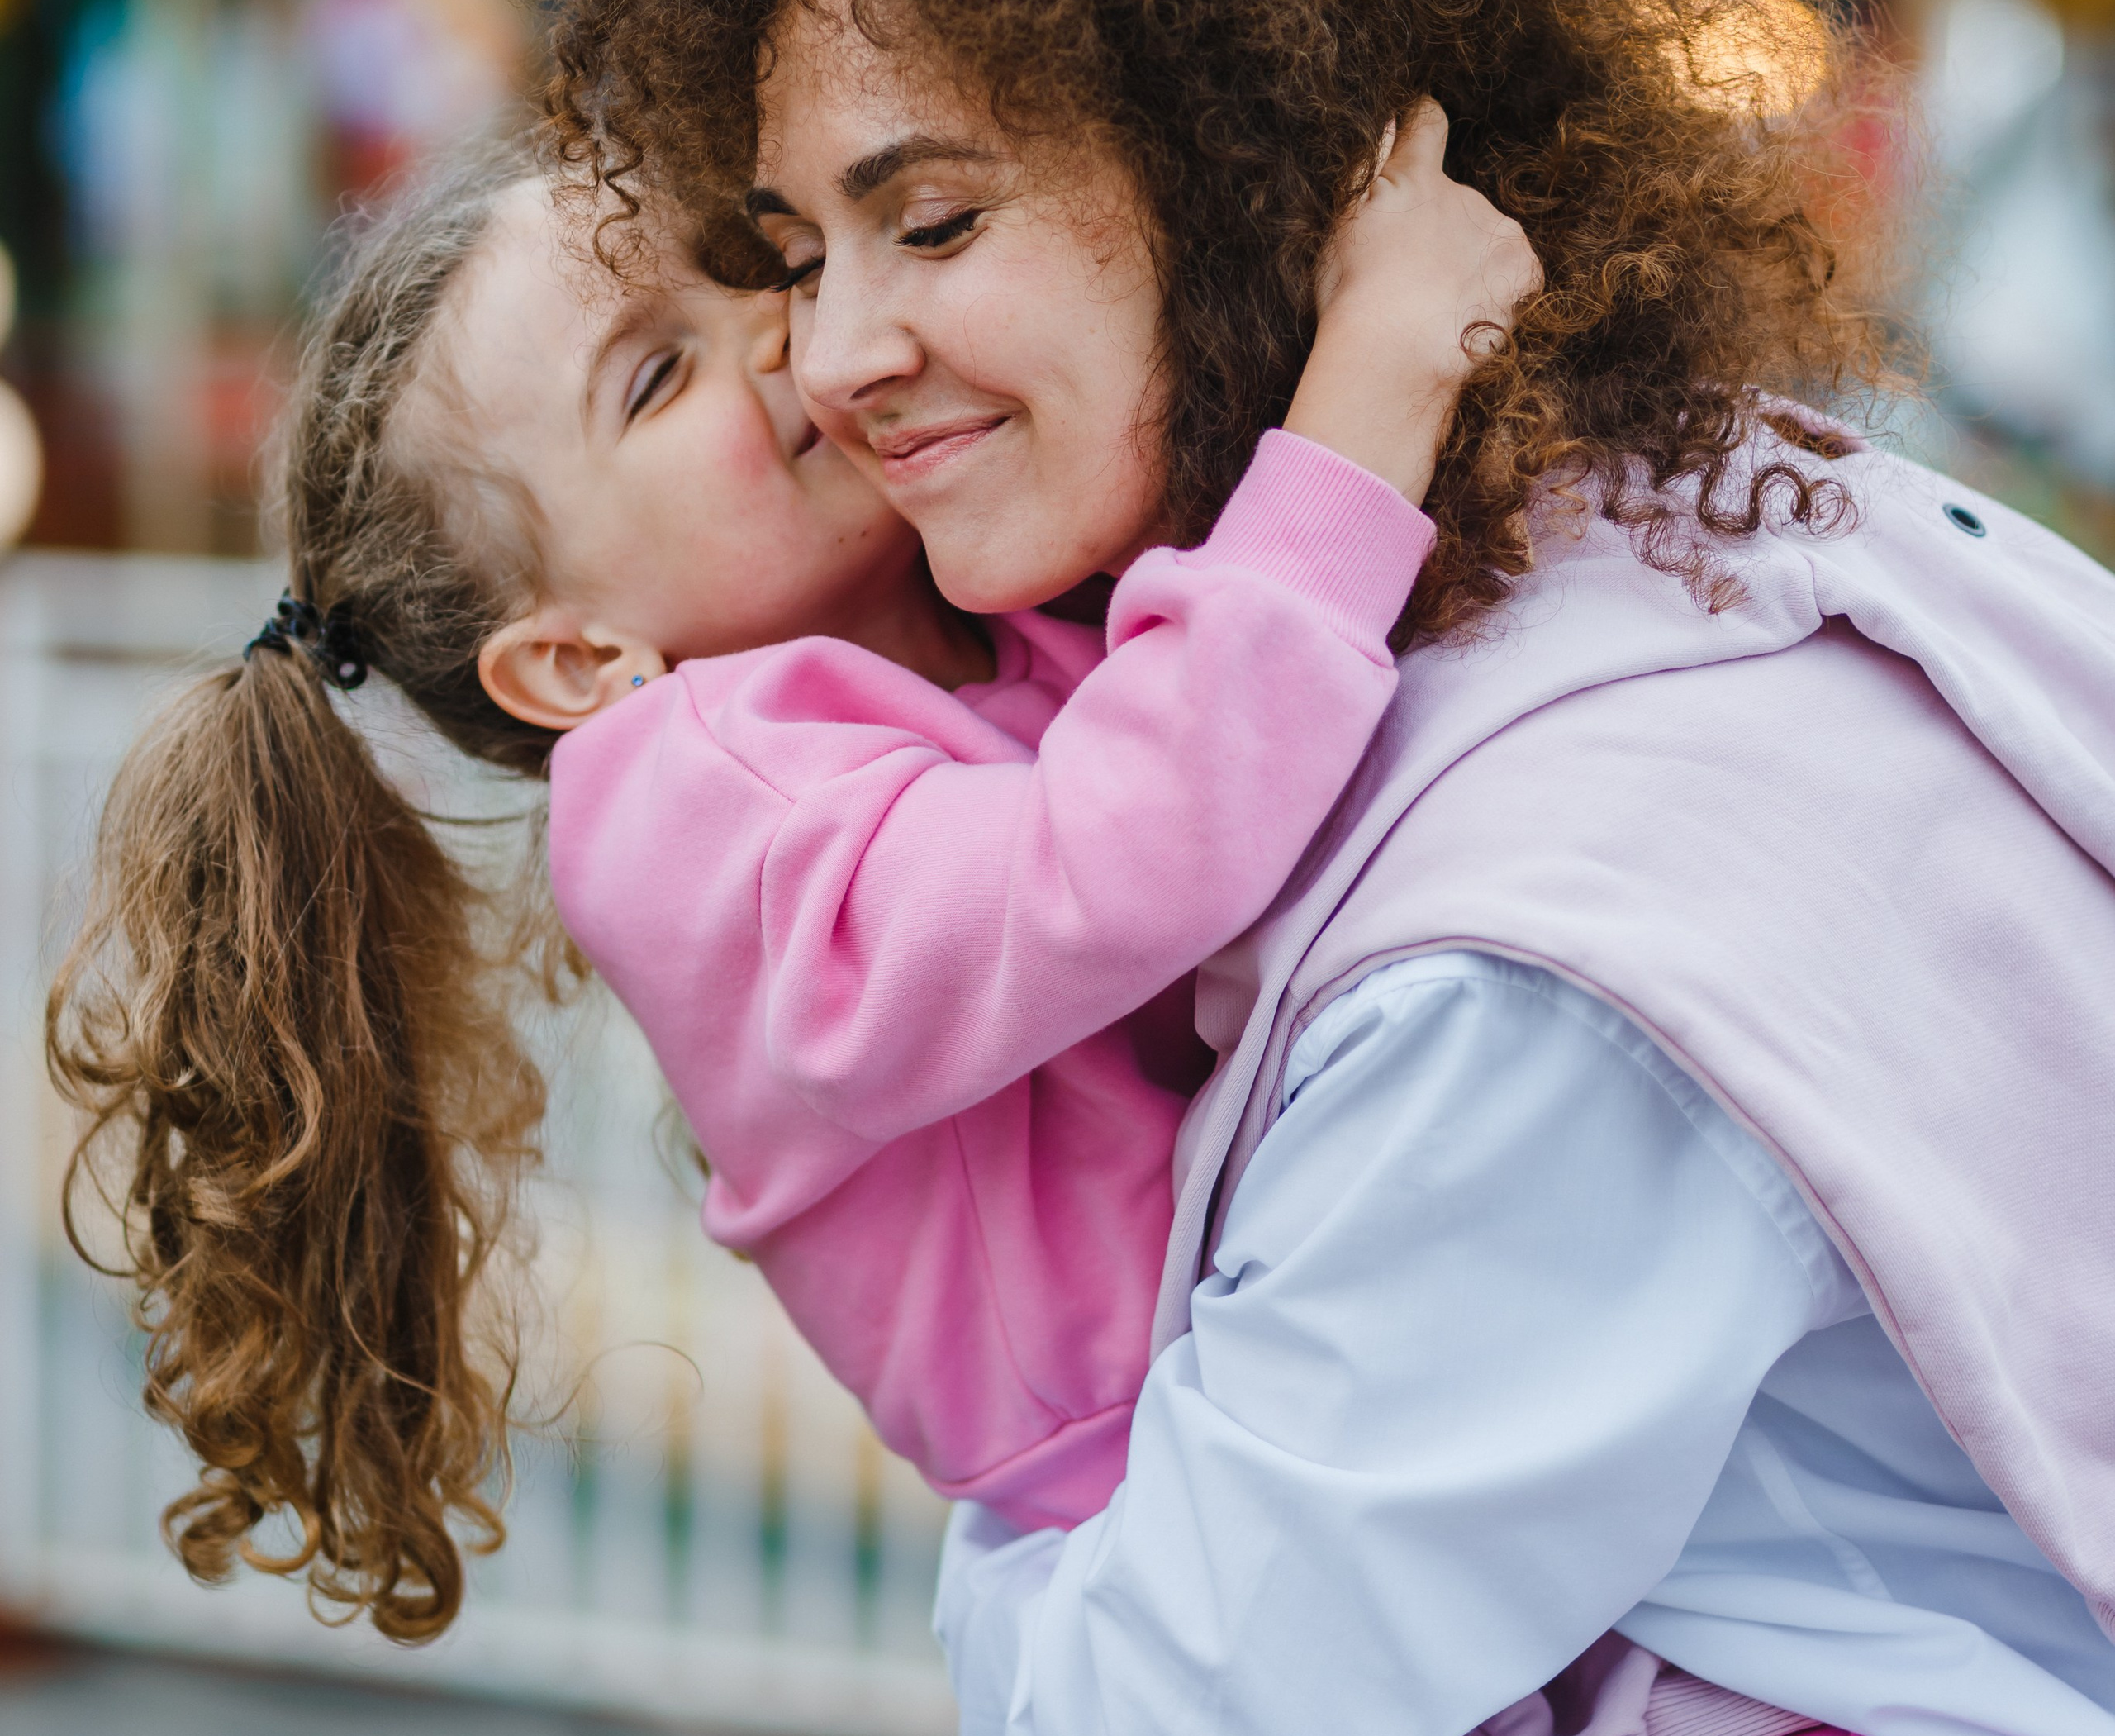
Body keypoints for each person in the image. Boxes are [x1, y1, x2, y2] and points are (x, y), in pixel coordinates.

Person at [539, 0, 2115, 1736]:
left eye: (932, 224)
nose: (832, 358)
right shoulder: (1716, 542)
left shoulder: (1531, 962)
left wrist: (1034, 1499)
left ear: (1251, 170)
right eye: (796, 258)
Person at [49, 108, 1528, 1619]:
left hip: (1311, 1372)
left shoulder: (985, 613)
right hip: (1174, 1494)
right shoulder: (681, 795)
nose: (783, 332)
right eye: (656, 374)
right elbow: (1124, 854)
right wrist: (1373, 382)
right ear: (577, 659)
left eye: (755, 269)